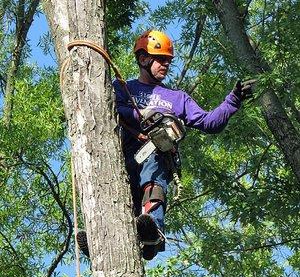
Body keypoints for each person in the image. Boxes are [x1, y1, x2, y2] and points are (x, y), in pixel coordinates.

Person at [77, 29, 255, 260]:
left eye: (168, 61)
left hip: (156, 153)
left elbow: (208, 122)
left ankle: (152, 232)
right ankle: (100, 240)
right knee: (110, 190)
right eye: (160, 60)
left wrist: (232, 101)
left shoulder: (177, 98)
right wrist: (140, 114)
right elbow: (107, 110)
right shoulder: (121, 88)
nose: (165, 65)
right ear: (143, 59)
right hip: (121, 155)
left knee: (153, 175)